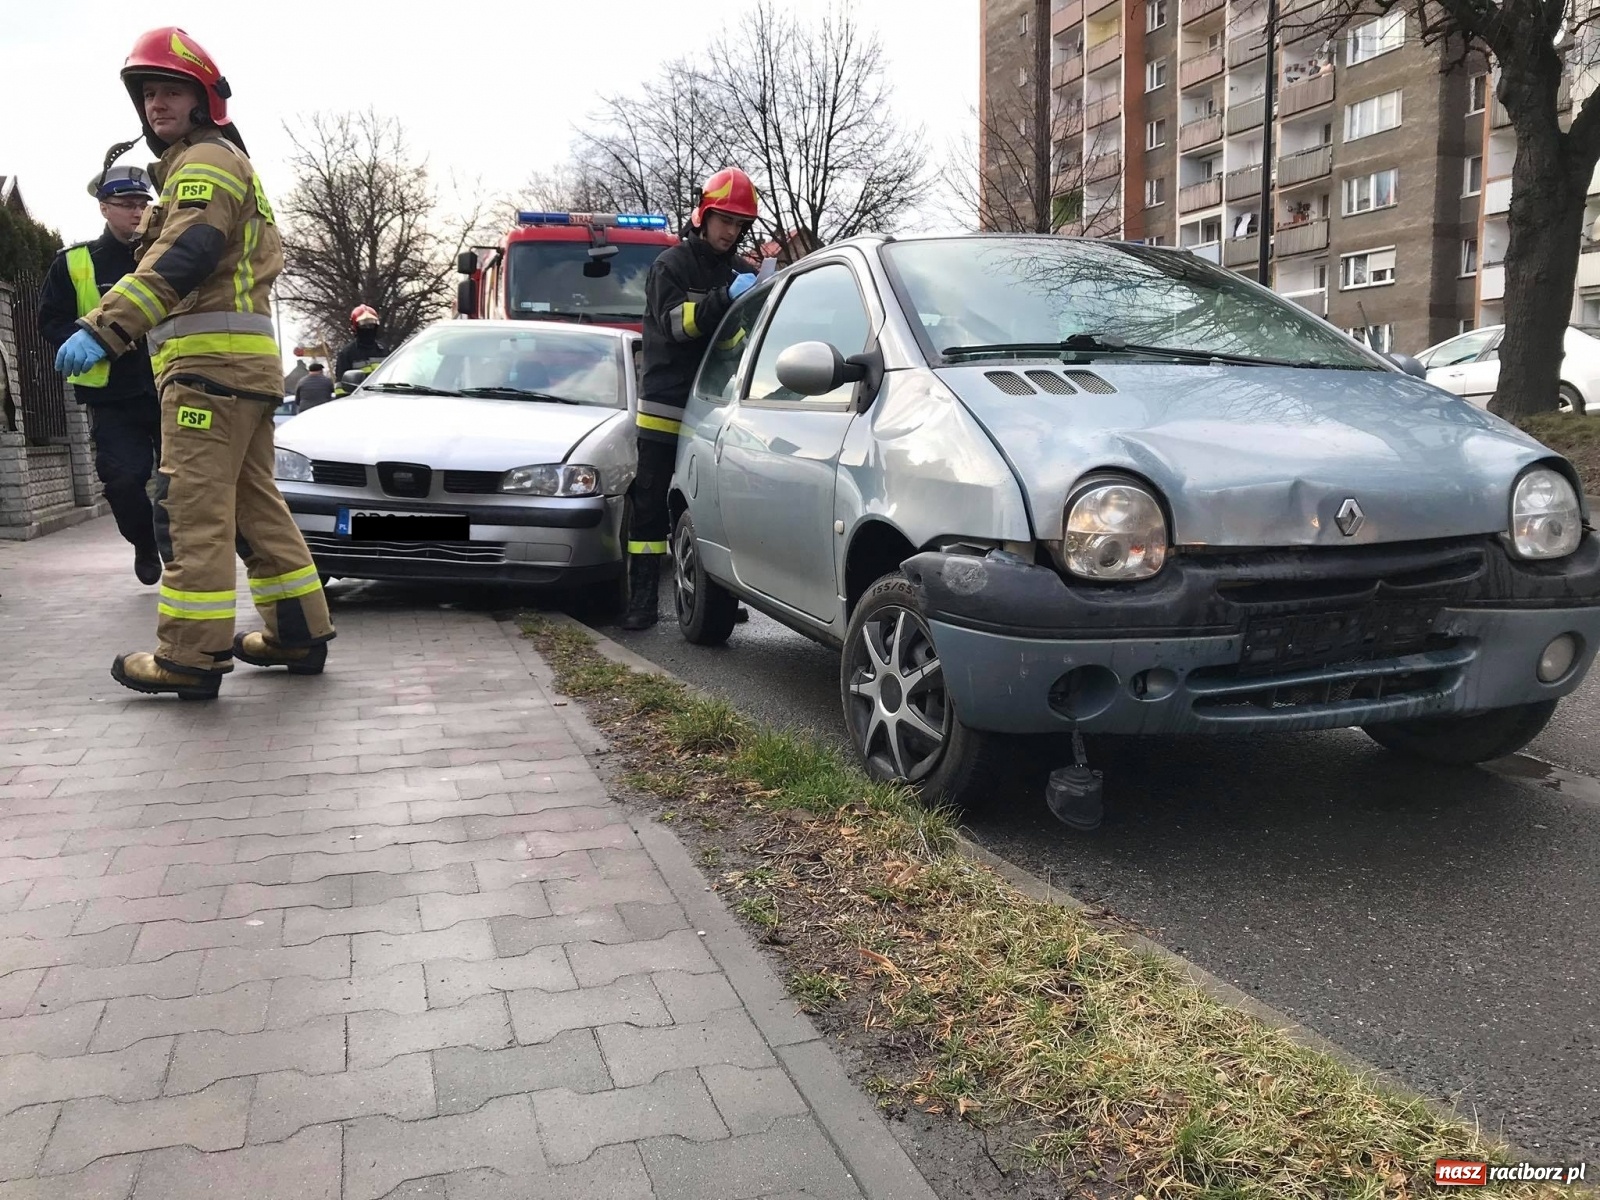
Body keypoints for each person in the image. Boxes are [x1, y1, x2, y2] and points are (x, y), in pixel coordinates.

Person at [54, 26, 334, 700]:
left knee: (187, 509)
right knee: (252, 506)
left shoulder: (204, 162)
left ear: (204, 98)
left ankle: (189, 656)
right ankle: (298, 632)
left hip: (207, 371)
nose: (157, 104)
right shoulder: (214, 161)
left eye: (171, 91)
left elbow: (184, 255)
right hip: (243, 371)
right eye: (149, 94)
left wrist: (106, 326)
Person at [621, 167, 761, 631]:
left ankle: (715, 593)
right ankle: (641, 600)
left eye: (740, 225)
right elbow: (677, 326)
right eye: (725, 220)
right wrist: (725, 300)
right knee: (650, 502)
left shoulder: (741, 271)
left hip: (713, 404)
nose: (732, 232)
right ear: (703, 214)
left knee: (710, 503)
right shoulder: (671, 266)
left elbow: (733, 344)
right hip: (666, 402)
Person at [38, 162, 163, 585]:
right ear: (104, 209)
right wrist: (92, 338)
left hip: (173, 388)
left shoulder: (170, 253)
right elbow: (49, 322)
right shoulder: (75, 264)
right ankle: (145, 543)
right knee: (123, 482)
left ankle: (181, 551)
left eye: (143, 203)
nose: (136, 211)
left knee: (184, 485)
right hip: (114, 396)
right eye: (126, 203)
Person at [334, 305, 389, 395]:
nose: (368, 329)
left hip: (385, 398)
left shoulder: (384, 349)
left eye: (371, 325)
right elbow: (341, 388)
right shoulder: (347, 353)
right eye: (364, 325)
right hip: (360, 401)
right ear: (355, 327)